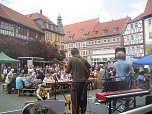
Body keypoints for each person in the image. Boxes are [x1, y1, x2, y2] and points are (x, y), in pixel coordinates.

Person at [65, 48, 91, 114]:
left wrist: (68, 68)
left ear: (72, 53)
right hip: (84, 83)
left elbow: (67, 71)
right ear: (78, 52)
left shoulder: (71, 59)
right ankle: (83, 112)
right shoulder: (83, 59)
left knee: (75, 101)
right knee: (83, 99)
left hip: (76, 83)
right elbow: (89, 66)